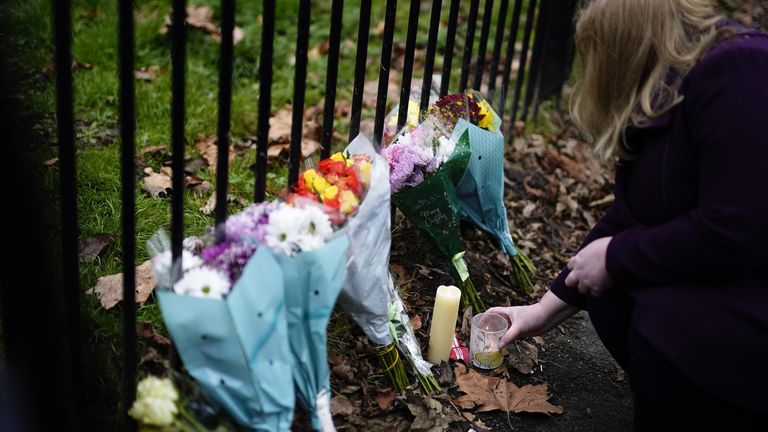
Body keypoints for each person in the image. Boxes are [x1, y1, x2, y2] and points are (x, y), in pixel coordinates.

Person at [488, 0, 768, 430]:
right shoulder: (672, 86)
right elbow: (635, 214)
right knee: (606, 289)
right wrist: (541, 310)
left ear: (624, 47)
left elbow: (741, 226)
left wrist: (618, 257)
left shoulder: (737, 71)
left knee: (662, 316)